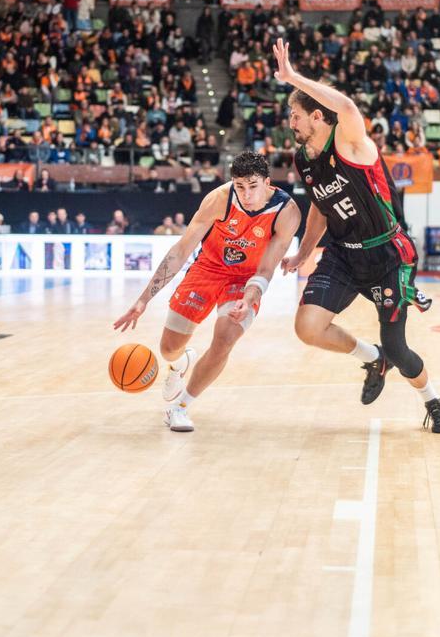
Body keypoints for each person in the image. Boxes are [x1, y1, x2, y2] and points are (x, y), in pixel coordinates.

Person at [270, 39, 440, 433]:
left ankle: (433, 400)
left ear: (317, 115)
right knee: (307, 328)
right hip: (342, 254)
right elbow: (320, 206)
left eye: (295, 115)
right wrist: (304, 253)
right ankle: (373, 358)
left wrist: (292, 77)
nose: (291, 122)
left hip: (387, 254)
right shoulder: (303, 160)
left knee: (401, 350)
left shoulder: (350, 141)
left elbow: (348, 108)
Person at [113, 152, 300, 432]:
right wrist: (143, 300)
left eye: (252, 186)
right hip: (207, 269)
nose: (246, 194)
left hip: (245, 279)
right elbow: (181, 250)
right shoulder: (219, 199)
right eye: (240, 186)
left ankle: (180, 407)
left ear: (267, 183)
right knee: (168, 349)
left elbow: (265, 271)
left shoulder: (287, 212)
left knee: (225, 337)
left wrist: (248, 300)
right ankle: (179, 363)